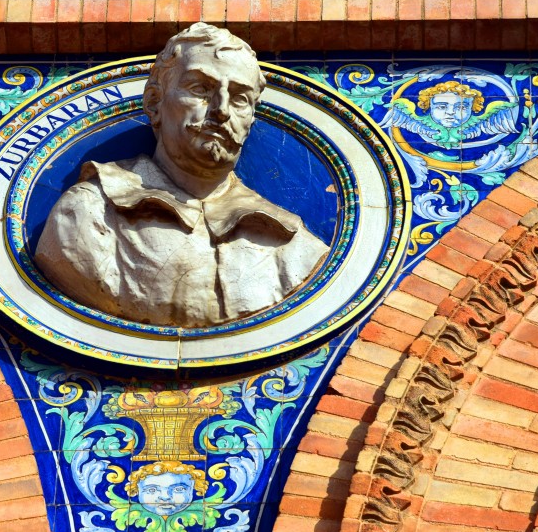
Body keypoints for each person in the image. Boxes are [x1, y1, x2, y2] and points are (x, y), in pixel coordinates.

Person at [35, 23, 328, 328]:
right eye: (201, 89)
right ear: (154, 102)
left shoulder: (292, 245)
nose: (222, 111)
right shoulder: (90, 211)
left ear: (251, 118)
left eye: (240, 99)